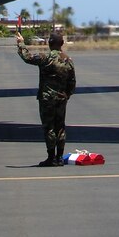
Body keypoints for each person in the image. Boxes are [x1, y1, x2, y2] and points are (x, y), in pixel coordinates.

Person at [15, 31, 76, 167]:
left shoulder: (46, 58)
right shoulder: (68, 60)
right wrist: (67, 95)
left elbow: (27, 57)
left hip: (47, 99)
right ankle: (60, 157)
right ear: (62, 44)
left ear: (49, 44)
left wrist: (21, 43)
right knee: (60, 127)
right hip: (61, 99)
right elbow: (72, 82)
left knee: (49, 127)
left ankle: (51, 157)